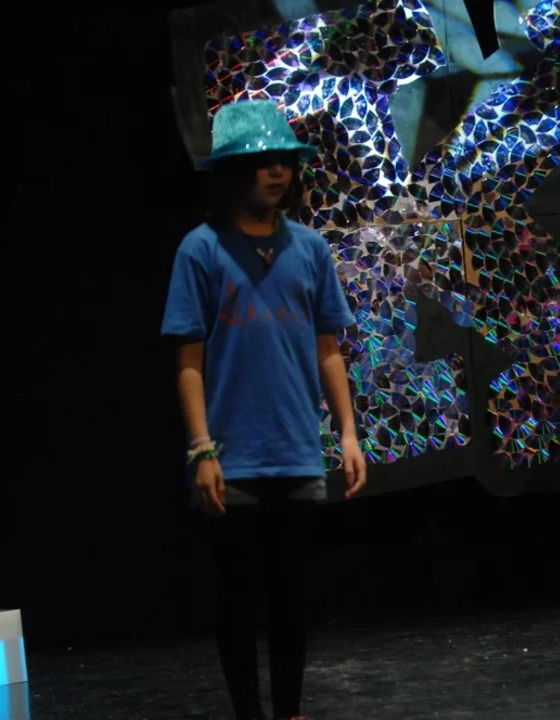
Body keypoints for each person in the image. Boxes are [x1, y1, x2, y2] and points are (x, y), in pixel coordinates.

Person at [160, 99, 368, 719]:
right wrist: (202, 448)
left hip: (295, 449)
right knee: (236, 599)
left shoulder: (310, 248)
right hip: (232, 454)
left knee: (291, 598)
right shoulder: (200, 250)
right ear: (232, 172)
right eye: (263, 162)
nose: (277, 173)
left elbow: (328, 348)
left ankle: (290, 711)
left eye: (284, 161)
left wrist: (348, 433)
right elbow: (188, 360)